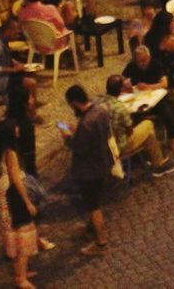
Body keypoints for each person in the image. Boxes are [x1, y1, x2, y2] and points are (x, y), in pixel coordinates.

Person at [61, 84, 113, 256]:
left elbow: (80, 148)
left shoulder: (86, 124)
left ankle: (101, 243)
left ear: (74, 103)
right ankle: (91, 230)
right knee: (96, 200)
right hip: (103, 163)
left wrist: (68, 138)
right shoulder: (101, 111)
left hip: (89, 170)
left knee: (94, 206)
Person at [0, 109, 42, 288]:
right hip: (15, 197)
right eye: (15, 128)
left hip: (7, 197)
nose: (18, 130)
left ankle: (21, 271)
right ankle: (21, 279)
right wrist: (28, 202)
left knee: (16, 236)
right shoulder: (11, 153)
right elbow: (15, 179)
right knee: (24, 237)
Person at [98, 74, 174, 177]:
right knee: (148, 124)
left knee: (148, 135)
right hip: (120, 145)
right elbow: (130, 130)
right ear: (121, 89)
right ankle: (157, 163)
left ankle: (157, 161)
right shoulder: (119, 107)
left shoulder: (98, 102)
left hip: (105, 143)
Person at [121, 43, 174, 147]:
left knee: (168, 114)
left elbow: (164, 84)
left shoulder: (156, 65)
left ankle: (172, 137)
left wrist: (149, 86)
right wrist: (126, 85)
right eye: (138, 61)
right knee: (129, 117)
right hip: (138, 99)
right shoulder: (131, 66)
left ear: (149, 57)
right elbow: (123, 79)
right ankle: (138, 142)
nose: (141, 64)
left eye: (144, 60)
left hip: (156, 98)